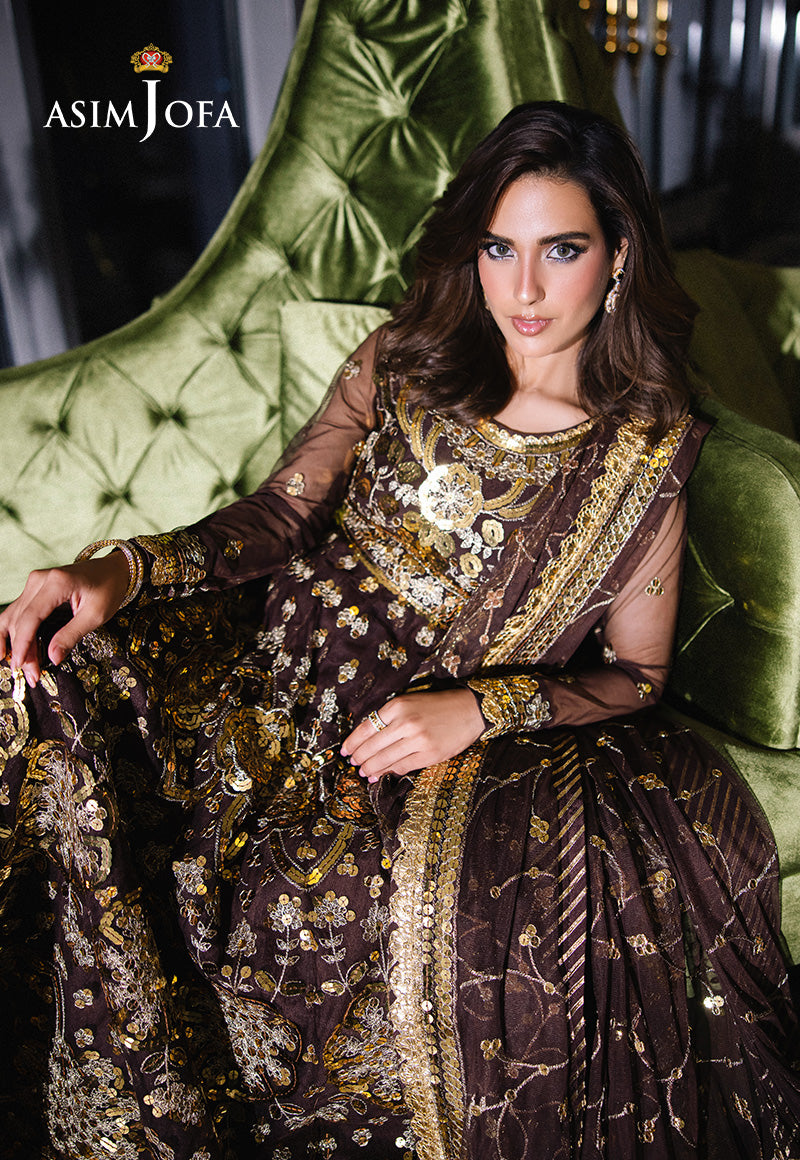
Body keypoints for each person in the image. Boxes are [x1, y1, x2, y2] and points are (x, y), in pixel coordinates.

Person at [0, 101, 797, 1160]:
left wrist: (480, 708)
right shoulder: (408, 359)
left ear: (617, 258)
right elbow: (280, 514)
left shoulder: (642, 461)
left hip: (394, 740)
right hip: (268, 659)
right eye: (498, 248)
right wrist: (120, 567)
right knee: (53, 674)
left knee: (308, 908)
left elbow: (637, 677)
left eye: (560, 250)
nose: (521, 289)